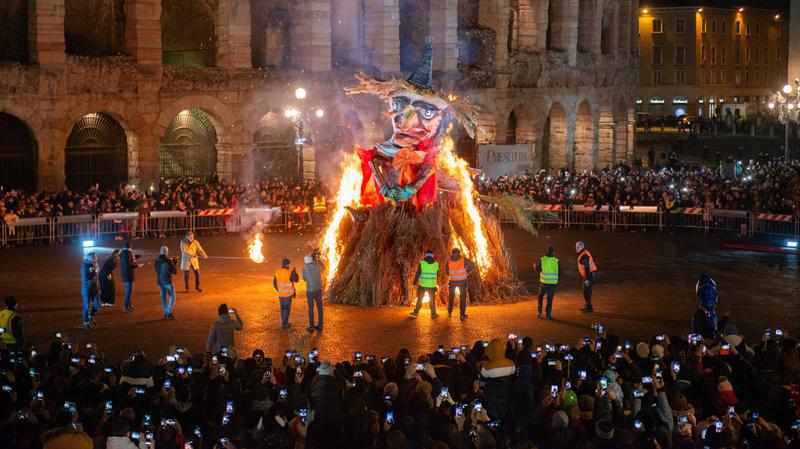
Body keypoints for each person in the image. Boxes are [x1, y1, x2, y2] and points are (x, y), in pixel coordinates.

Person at [444, 248, 474, 320]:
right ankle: (462, 315)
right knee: (462, 298)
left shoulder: (448, 260)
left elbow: (446, 271)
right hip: (462, 281)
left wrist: (451, 274)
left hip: (452, 281)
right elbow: (472, 265)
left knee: (451, 297)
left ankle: (449, 312)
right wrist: (467, 271)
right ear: (459, 253)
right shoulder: (463, 259)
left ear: (452, 253)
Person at [411, 251, 439, 318]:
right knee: (432, 300)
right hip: (432, 285)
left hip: (422, 285)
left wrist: (414, 283)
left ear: (425, 256)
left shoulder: (422, 263)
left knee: (420, 299)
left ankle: (416, 313)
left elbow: (418, 273)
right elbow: (437, 274)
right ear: (432, 256)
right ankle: (433, 314)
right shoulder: (436, 264)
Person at [535, 246, 560, 320]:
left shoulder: (542, 259)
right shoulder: (556, 261)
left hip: (544, 283)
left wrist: (535, 267)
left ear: (547, 252)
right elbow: (560, 271)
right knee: (549, 299)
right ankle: (548, 315)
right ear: (553, 252)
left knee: (540, 296)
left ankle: (539, 313)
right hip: (552, 284)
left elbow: (538, 269)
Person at [273, 258, 299, 329]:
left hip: (281, 294)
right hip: (288, 294)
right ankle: (285, 323)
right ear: (288, 264)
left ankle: (283, 321)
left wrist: (279, 289)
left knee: (282, 308)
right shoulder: (290, 272)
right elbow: (296, 280)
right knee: (287, 308)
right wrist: (294, 273)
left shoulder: (277, 272)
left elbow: (274, 283)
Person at [155, 245, 178, 320]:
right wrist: (174, 262)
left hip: (160, 281)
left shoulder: (156, 260)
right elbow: (175, 271)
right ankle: (168, 311)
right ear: (167, 252)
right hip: (167, 281)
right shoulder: (168, 261)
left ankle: (165, 313)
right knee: (172, 296)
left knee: (163, 297)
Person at [301, 255, 324, 332]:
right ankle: (320, 326)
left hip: (310, 291)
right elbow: (324, 269)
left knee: (311, 308)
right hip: (318, 289)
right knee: (320, 308)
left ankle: (312, 326)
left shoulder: (304, 268)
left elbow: (304, 279)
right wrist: (318, 261)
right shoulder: (317, 265)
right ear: (311, 260)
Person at [575, 241, 597, 313]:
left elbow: (587, 267)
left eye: (578, 246)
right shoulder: (584, 253)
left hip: (589, 275)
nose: (577, 248)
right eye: (576, 246)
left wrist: (587, 279)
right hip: (591, 274)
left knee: (586, 292)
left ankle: (589, 308)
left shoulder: (583, 255)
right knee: (587, 291)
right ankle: (588, 307)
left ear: (582, 247)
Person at [119, 242, 141, 312]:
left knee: (129, 290)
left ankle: (129, 304)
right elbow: (128, 264)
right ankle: (125, 306)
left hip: (125, 274)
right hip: (128, 275)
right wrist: (136, 266)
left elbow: (129, 261)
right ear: (129, 248)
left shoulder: (123, 253)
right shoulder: (127, 254)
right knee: (129, 290)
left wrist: (136, 257)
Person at [80, 252, 100, 329]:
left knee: (97, 305)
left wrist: (98, 286)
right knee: (86, 305)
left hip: (94, 288)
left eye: (96, 256)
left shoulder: (94, 264)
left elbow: (96, 277)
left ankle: (90, 316)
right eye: (94, 257)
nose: (96, 258)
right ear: (89, 257)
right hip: (87, 289)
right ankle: (86, 322)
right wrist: (94, 272)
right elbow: (85, 278)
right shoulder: (84, 266)